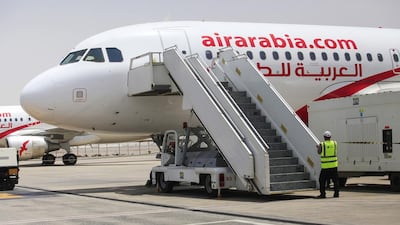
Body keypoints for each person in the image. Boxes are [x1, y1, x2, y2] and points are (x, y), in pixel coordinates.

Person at [316, 130, 339, 198]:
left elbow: (319, 152)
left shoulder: (322, 144)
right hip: (334, 166)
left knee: (322, 180)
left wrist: (318, 147)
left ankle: (323, 194)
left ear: (324, 137)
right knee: (335, 180)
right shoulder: (335, 143)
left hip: (325, 167)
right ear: (330, 137)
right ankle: (336, 193)